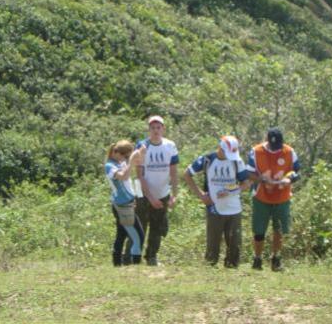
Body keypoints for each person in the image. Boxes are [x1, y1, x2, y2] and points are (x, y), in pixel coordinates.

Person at [184, 136, 250, 268]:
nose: (229, 156)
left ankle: (232, 270)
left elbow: (246, 183)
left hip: (234, 209)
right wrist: (201, 195)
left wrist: (230, 191)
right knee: (212, 246)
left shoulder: (237, 161)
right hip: (214, 208)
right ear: (220, 148)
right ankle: (210, 271)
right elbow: (187, 174)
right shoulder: (207, 160)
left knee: (235, 245)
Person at [127, 115, 179, 266]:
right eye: (152, 128)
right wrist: (150, 197)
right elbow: (139, 175)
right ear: (149, 130)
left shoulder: (170, 146)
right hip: (142, 193)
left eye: (158, 127)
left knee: (158, 226)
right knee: (139, 225)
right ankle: (130, 257)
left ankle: (151, 257)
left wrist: (174, 195)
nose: (156, 131)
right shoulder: (142, 146)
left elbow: (174, 172)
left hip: (162, 192)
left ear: (163, 129)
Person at [246, 127, 301, 272]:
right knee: (259, 231)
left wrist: (288, 179)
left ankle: (276, 258)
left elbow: (296, 170)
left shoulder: (289, 151)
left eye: (278, 147)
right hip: (261, 197)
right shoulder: (256, 152)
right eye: (272, 146)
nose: (275, 149)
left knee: (279, 230)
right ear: (267, 141)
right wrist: (262, 180)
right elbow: (248, 173)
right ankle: (257, 259)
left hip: (282, 197)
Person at [105, 140, 144, 266]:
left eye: (127, 156)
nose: (125, 159)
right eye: (124, 156)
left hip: (127, 203)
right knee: (138, 236)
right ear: (116, 152)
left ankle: (117, 264)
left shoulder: (120, 162)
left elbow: (128, 182)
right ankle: (135, 264)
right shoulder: (109, 166)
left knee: (121, 235)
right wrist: (131, 161)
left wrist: (140, 151)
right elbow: (123, 177)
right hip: (122, 206)